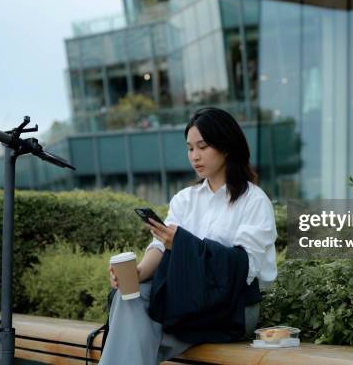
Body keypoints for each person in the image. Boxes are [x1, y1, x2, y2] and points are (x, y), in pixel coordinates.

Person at [99, 107, 278, 365]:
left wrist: (182, 244)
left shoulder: (254, 201)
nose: (194, 156)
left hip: (232, 308)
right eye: (190, 148)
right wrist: (137, 273)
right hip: (184, 299)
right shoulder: (185, 199)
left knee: (137, 337)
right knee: (128, 296)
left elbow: (243, 268)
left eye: (202, 147)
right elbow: (160, 245)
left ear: (226, 147)